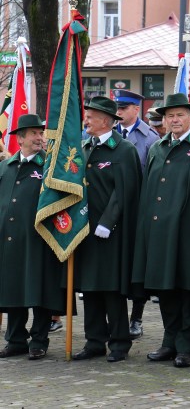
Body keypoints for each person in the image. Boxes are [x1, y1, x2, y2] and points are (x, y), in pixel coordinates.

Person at [132, 93, 190, 368]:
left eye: (180, 115)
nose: (174, 120)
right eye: (169, 115)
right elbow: (149, 191)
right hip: (160, 232)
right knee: (166, 289)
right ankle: (169, 341)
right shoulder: (157, 148)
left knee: (189, 289)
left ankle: (187, 345)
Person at [72, 97, 142, 363]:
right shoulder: (85, 147)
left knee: (111, 289)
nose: (86, 121)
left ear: (106, 120)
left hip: (110, 232)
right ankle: (94, 341)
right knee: (90, 288)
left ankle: (119, 343)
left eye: (90, 116)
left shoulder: (123, 150)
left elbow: (124, 190)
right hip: (85, 229)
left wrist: (107, 221)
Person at [0, 114, 66, 360]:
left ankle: (39, 340)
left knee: (39, 291)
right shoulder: (5, 167)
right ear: (20, 138)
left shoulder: (49, 166)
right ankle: (16, 339)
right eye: (34, 134)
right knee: (13, 290)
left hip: (40, 239)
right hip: (11, 241)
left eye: (41, 133)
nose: (40, 138)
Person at [113, 89, 159, 340]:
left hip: (139, 210)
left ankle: (137, 317)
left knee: (137, 266)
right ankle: (117, 317)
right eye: (117, 108)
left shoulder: (149, 138)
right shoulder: (110, 135)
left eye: (124, 108)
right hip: (113, 211)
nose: (118, 112)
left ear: (136, 109)